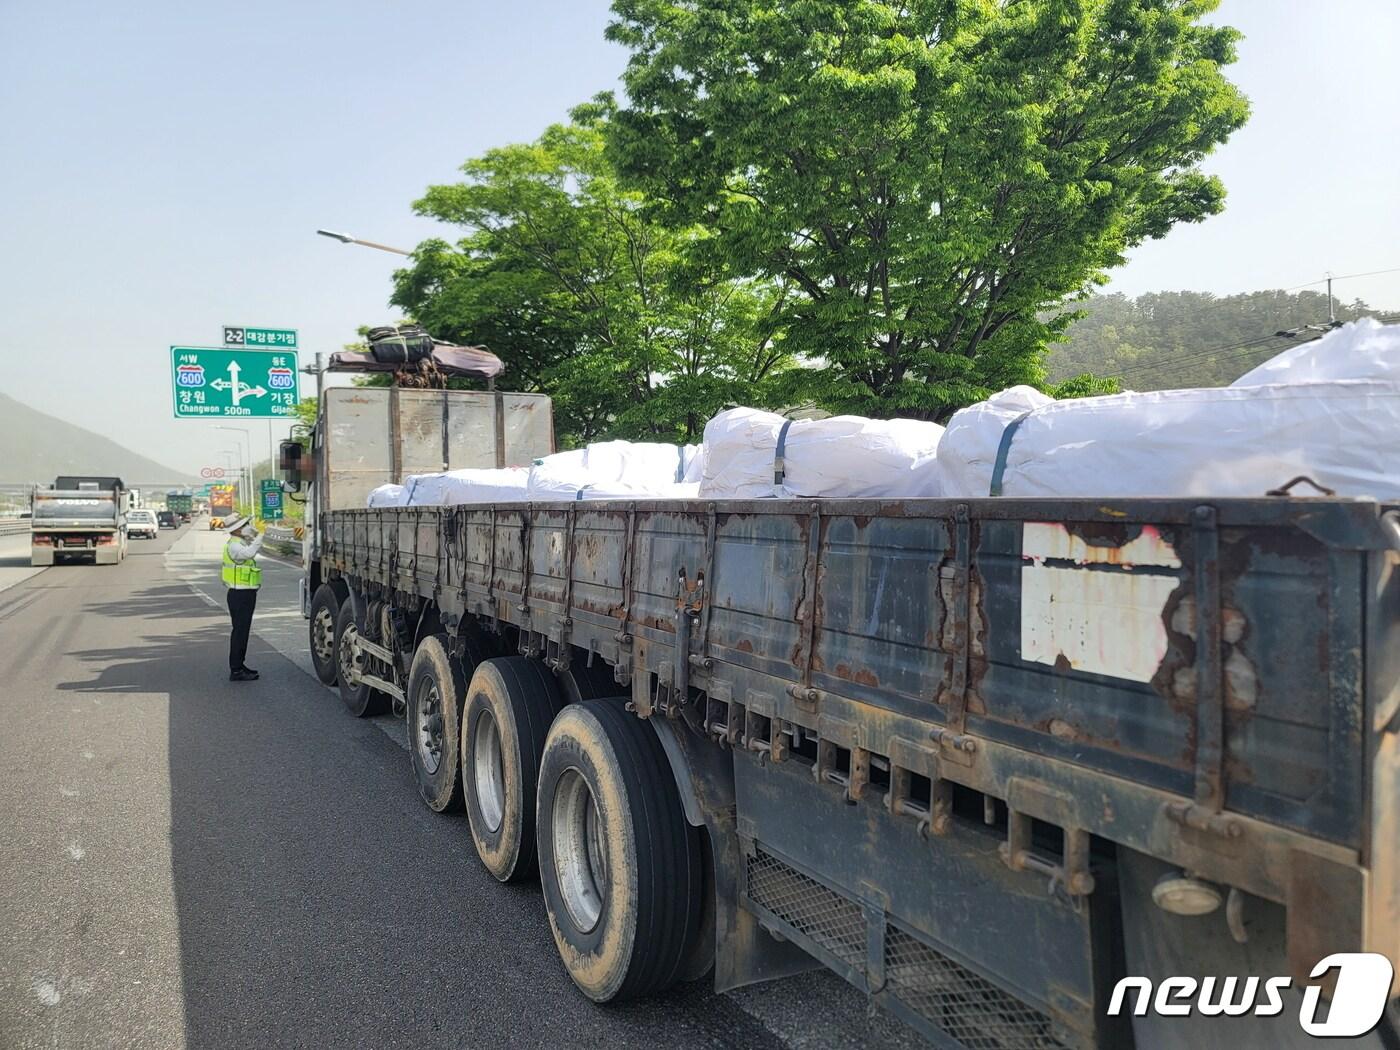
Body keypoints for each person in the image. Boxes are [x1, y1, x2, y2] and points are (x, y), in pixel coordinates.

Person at [222, 516, 263, 682]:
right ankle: (236, 669)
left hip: (244, 593)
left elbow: (250, 544)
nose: (248, 526)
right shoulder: (234, 546)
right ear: (237, 529)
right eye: (245, 525)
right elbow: (250, 553)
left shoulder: (240, 541)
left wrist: (253, 532)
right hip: (240, 595)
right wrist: (261, 535)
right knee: (240, 631)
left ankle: (240, 664)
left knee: (243, 631)